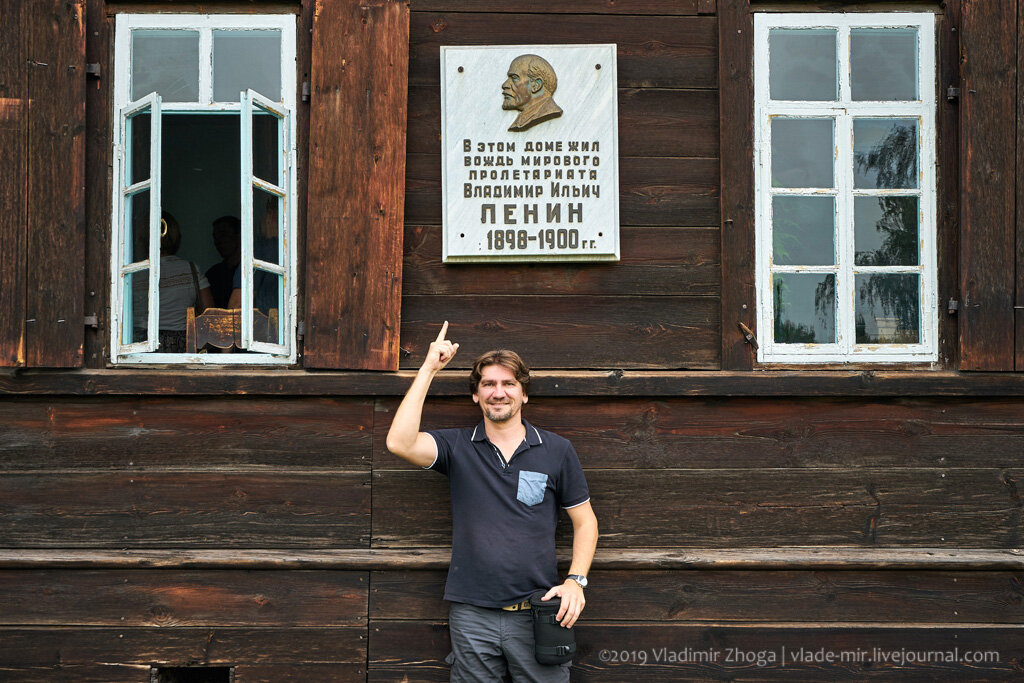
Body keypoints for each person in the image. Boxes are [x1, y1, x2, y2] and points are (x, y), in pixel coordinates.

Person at [386, 323, 598, 682]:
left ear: (524, 394)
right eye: (488, 384)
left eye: (508, 384)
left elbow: (586, 522)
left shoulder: (557, 450)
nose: (498, 393)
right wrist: (428, 370)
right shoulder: (457, 446)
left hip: (538, 611)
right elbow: (400, 443)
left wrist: (576, 581)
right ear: (475, 395)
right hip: (472, 616)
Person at [132, 211, 215, 352]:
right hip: (180, 346)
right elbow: (209, 314)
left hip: (140, 342)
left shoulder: (133, 272)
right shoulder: (190, 269)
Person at [501, 54, 564, 132]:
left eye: (514, 78)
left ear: (536, 85)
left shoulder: (545, 113)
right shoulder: (523, 118)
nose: (505, 85)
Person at [205, 215, 241, 309]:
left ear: (239, 236)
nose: (218, 241)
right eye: (215, 237)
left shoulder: (252, 270)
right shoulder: (213, 274)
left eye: (223, 235)